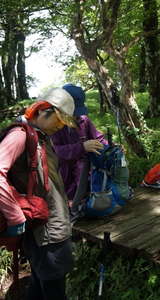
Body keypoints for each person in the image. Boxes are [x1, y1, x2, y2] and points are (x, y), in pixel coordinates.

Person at [0, 88, 76, 299]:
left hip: (51, 228)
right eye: (59, 121)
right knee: (53, 290)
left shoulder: (39, 136)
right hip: (46, 234)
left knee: (40, 285)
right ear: (43, 110)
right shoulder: (20, 135)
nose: (60, 127)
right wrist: (14, 216)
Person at [51, 84, 108, 219]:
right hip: (64, 177)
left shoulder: (84, 120)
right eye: (73, 112)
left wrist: (110, 147)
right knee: (68, 209)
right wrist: (81, 147)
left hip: (86, 175)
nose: (76, 116)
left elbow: (97, 137)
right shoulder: (53, 125)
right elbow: (54, 151)